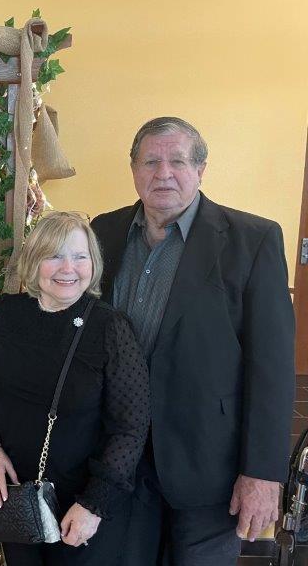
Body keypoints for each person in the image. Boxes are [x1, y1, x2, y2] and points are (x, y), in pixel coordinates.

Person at [91, 116, 295, 566]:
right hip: (118, 460)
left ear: (201, 169)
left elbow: (273, 369)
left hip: (209, 465)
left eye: (178, 161)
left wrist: (262, 473)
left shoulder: (253, 239)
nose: (163, 173)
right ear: (133, 169)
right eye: (151, 162)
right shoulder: (103, 232)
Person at [0, 212, 150, 566]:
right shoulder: (7, 314)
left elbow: (130, 428)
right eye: (54, 255)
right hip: (16, 497)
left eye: (80, 256)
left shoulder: (110, 328)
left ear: (93, 263)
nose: (68, 268)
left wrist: (94, 504)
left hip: (82, 507)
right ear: (34, 261)